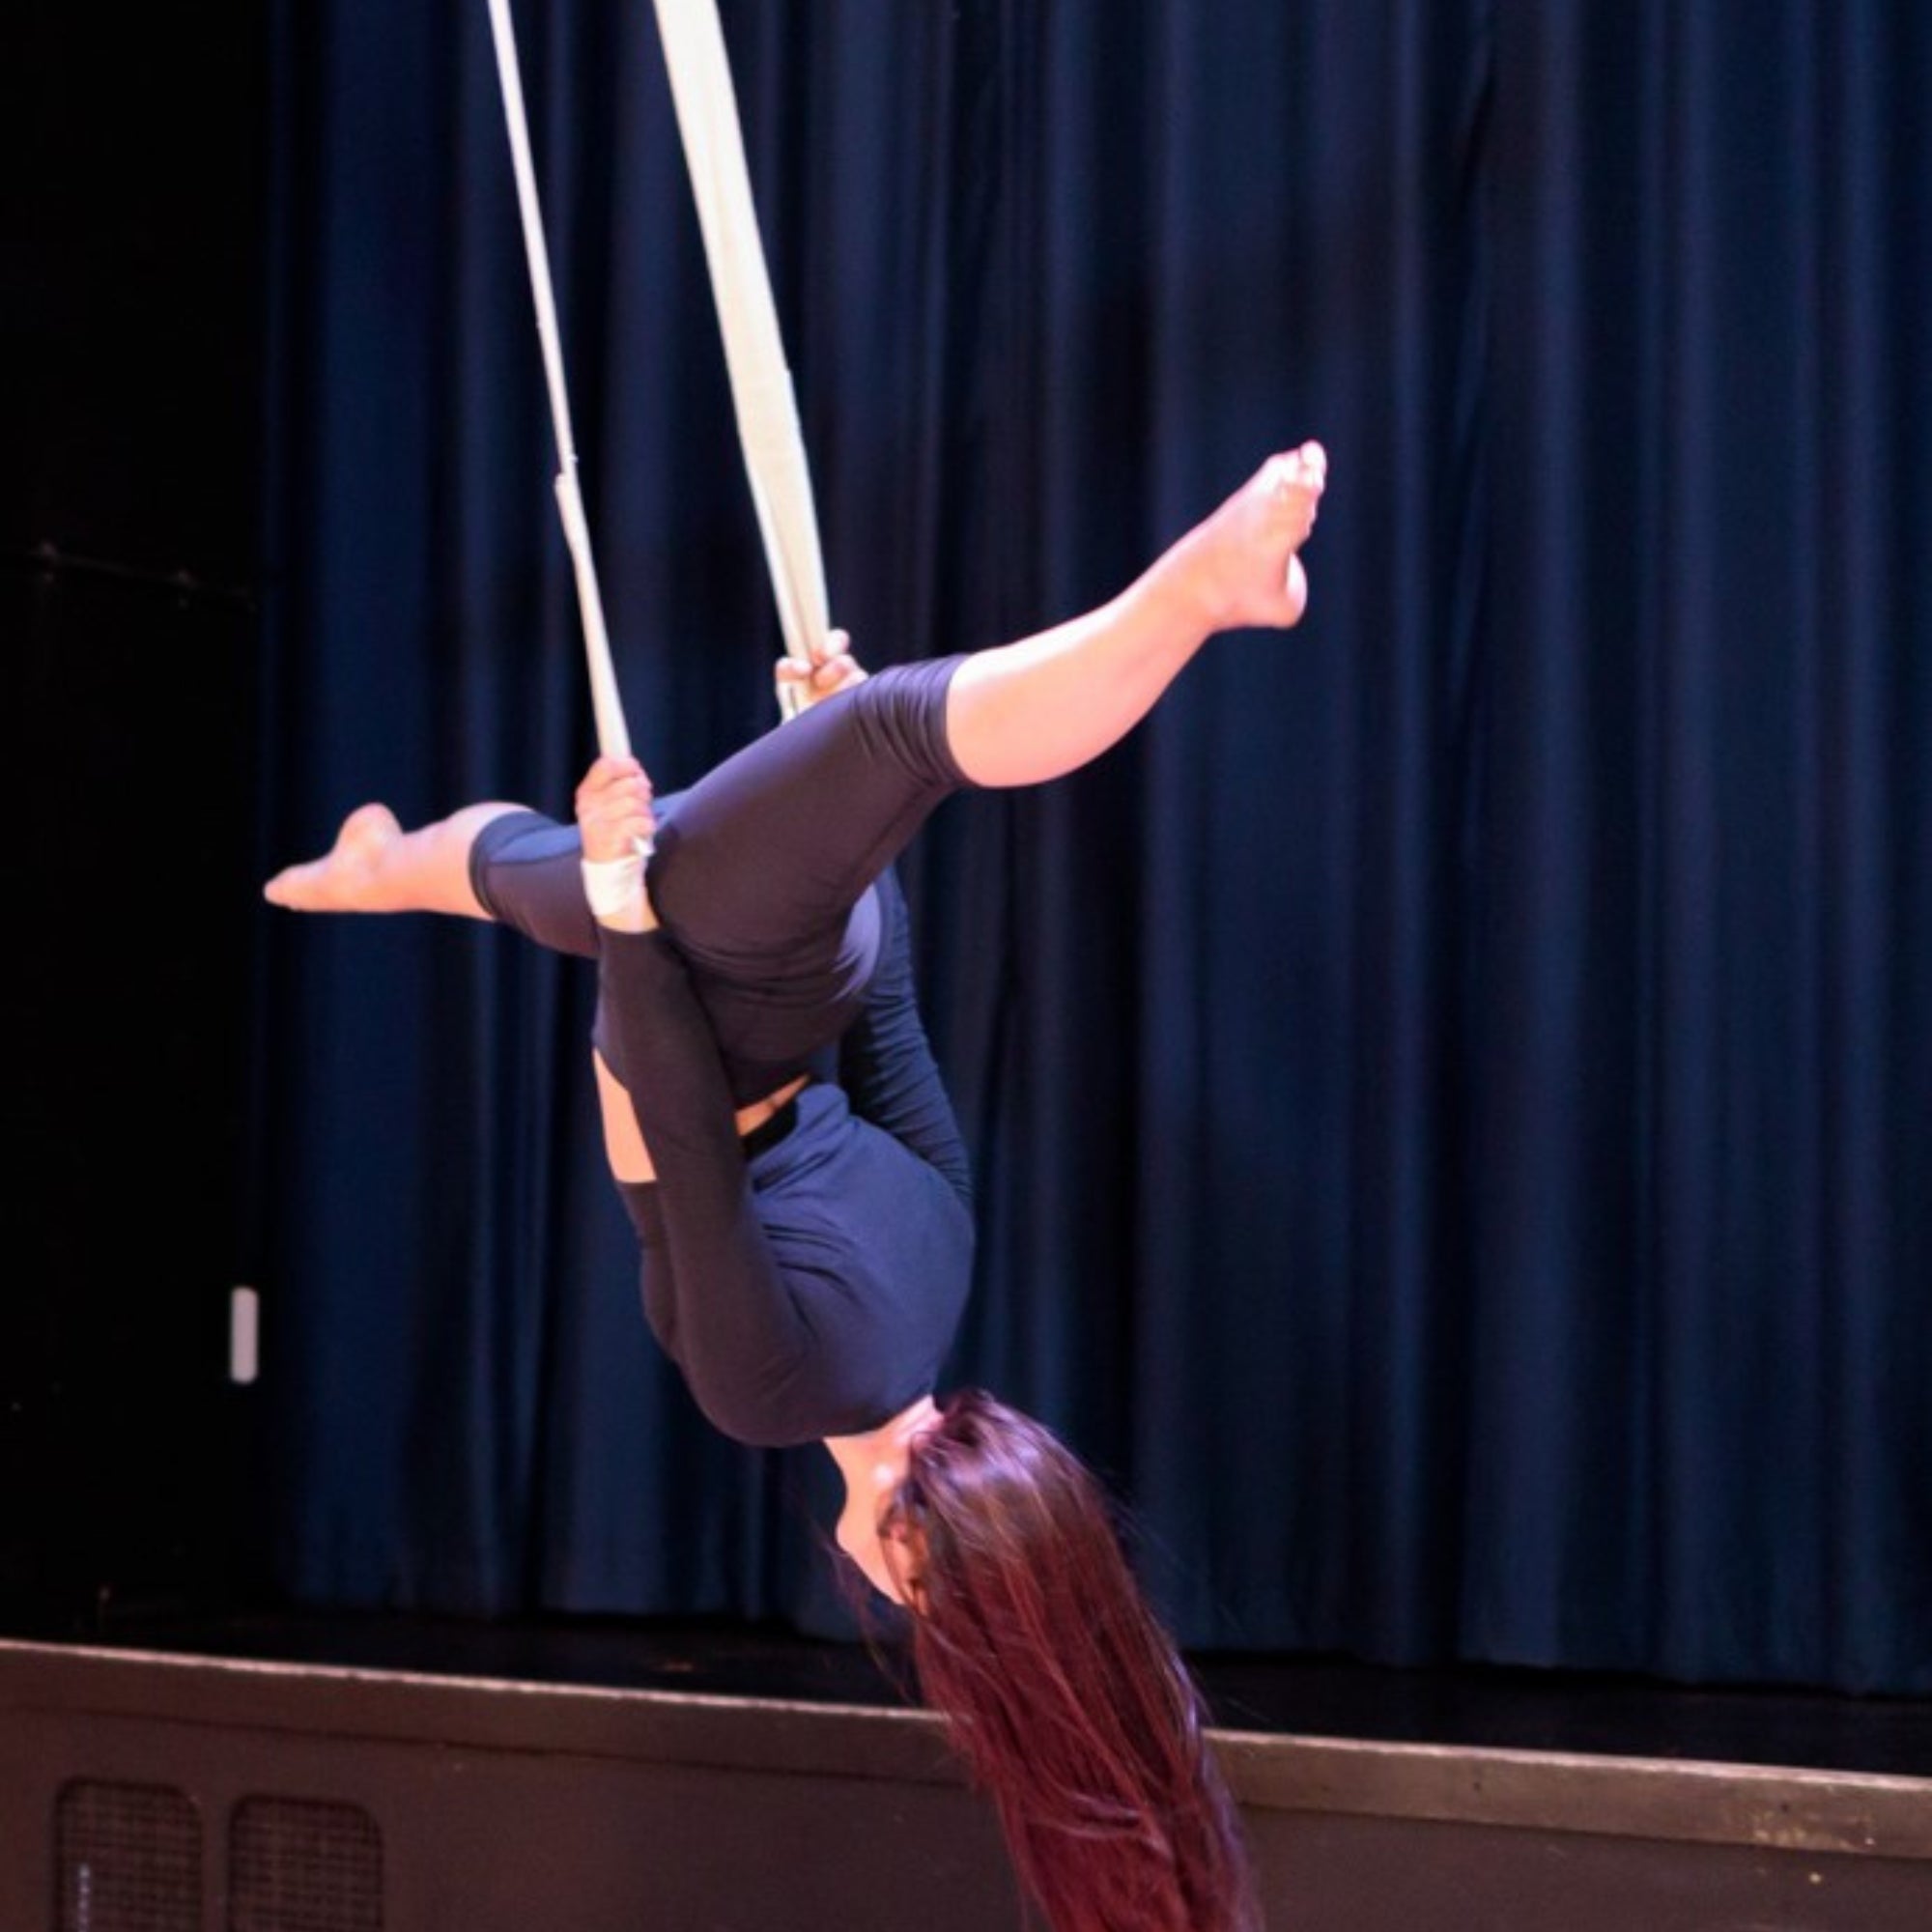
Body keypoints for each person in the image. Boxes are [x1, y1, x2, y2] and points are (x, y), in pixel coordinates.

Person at [267, 442, 1326, 1931]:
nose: (891, 1610)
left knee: (522, 869)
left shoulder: (947, 1271)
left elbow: (884, 1026)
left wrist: (831, 854)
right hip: (704, 984)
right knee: (889, 734)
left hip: (781, 972)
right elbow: (680, 1131)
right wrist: (649, 912)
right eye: (918, 1609)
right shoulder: (772, 1393)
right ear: (907, 1550)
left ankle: (374, 865)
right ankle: (1198, 594)